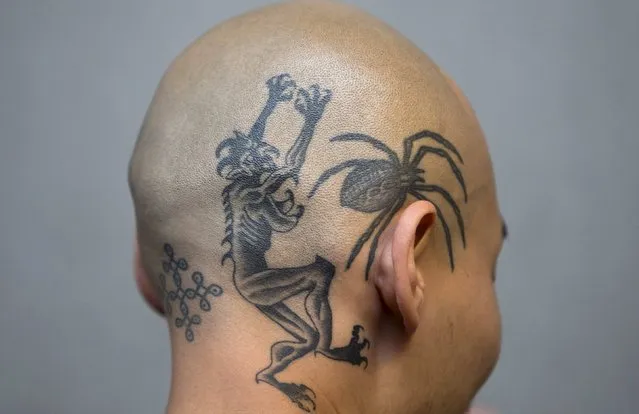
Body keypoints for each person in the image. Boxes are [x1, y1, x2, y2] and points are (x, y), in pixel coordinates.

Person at [129, 1, 506, 413]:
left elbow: (265, 157)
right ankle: (328, 346)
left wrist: (282, 108)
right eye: (491, 269)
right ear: (407, 270)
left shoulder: (248, 190)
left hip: (256, 278)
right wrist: (307, 119)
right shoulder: (252, 196)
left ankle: (317, 352)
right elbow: (280, 170)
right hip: (258, 279)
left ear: (145, 272)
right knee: (319, 274)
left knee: (310, 312)